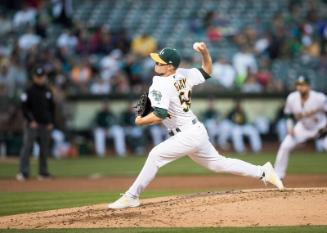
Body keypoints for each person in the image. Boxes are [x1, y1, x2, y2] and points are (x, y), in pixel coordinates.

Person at [108, 43, 284, 209]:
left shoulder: (160, 83)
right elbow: (207, 71)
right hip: (195, 130)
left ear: (169, 67)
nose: (156, 63)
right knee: (218, 164)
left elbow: (160, 115)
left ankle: (132, 196)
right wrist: (205, 53)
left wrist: (140, 120)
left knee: (155, 155)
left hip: (188, 134)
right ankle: (263, 171)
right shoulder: (183, 73)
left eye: (160, 62)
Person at [274, 75, 327, 179]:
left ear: (309, 86)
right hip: (302, 128)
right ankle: (278, 175)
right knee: (285, 146)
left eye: (303, 85)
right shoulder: (292, 98)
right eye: (298, 85)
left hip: (320, 128)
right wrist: (289, 127)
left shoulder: (320, 98)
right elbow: (288, 114)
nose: (300, 87)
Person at [17, 66, 55, 181]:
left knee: (44, 149)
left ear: (45, 77)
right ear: (34, 77)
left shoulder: (48, 91)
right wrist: (30, 121)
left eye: (42, 76)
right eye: (38, 77)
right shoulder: (28, 90)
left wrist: (51, 122)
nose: (40, 79)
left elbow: (52, 108)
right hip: (32, 125)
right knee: (27, 148)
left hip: (45, 124)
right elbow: (24, 108)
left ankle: (42, 172)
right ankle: (23, 172)